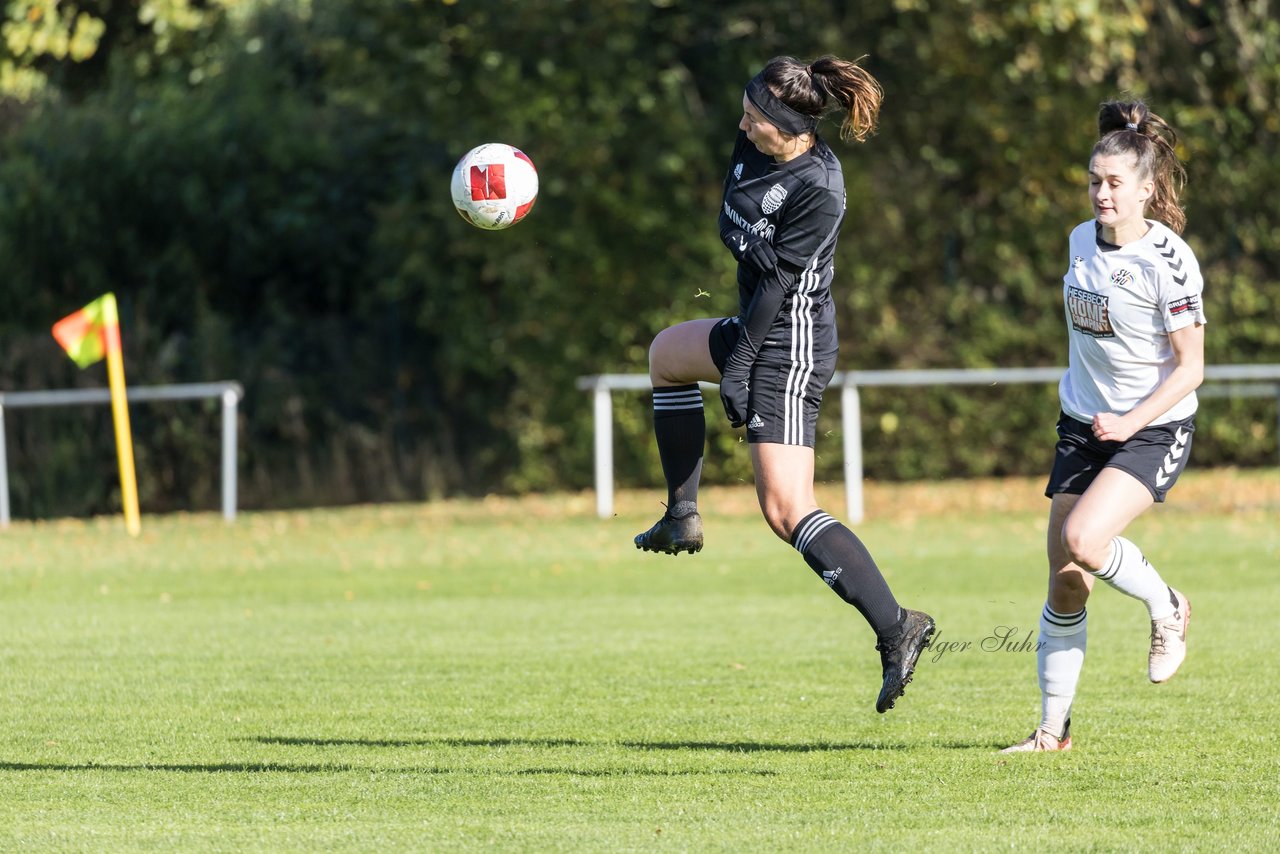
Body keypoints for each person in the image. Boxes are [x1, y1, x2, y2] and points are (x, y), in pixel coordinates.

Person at [632, 54, 936, 714]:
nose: (742, 123)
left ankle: (897, 628)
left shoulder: (822, 188)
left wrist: (740, 366)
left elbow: (777, 283)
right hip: (753, 324)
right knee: (667, 356)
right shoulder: (752, 142)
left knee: (785, 509)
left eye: (754, 117)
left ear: (791, 128)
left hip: (787, 344)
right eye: (745, 110)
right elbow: (729, 218)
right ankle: (681, 515)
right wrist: (746, 253)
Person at [1002, 100, 1205, 752]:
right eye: (1094, 180)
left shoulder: (1170, 262)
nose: (1101, 192)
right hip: (1083, 424)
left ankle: (1168, 605)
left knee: (1088, 540)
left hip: (1153, 426)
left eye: (1115, 182)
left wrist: (1132, 420)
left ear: (1147, 187)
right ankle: (1051, 732)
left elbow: (1191, 368)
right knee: (1067, 576)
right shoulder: (1077, 239)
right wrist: (1098, 417)